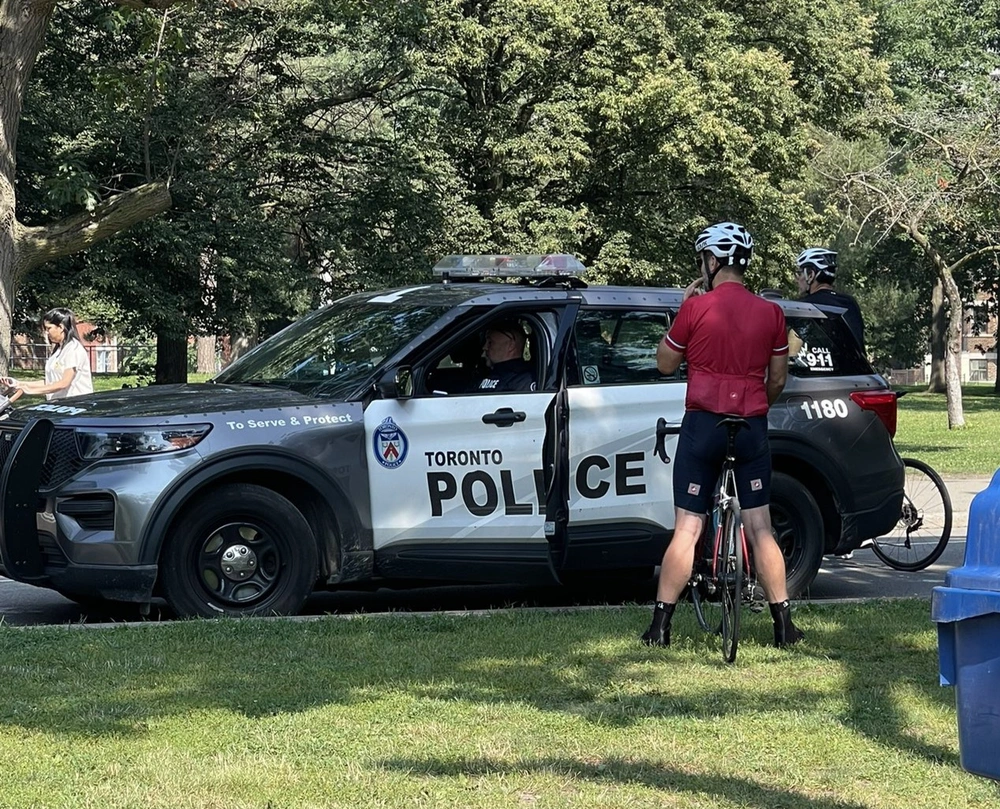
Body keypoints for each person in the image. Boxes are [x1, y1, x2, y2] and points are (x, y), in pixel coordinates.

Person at [644, 222, 804, 649]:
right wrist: (756, 403)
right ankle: (784, 626)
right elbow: (777, 378)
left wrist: (683, 308)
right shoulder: (772, 314)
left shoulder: (696, 308)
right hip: (750, 424)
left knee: (688, 528)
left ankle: (660, 627)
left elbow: (664, 363)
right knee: (761, 527)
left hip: (703, 425)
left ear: (713, 261)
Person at [3, 308, 94, 400]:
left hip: (76, 407)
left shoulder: (73, 349)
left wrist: (30, 390)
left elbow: (64, 383)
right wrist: (19, 384)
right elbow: (49, 382)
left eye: (48, 328)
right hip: (59, 406)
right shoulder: (58, 350)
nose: (46, 332)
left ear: (61, 328)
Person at [795, 248, 865, 351]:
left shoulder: (803, 306)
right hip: (856, 367)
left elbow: (792, 351)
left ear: (810, 275)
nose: (796, 279)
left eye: (800, 273)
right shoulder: (850, 303)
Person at [476, 318, 537, 392]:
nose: (485, 347)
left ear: (511, 346)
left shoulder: (523, 380)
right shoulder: (482, 373)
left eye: (490, 342)